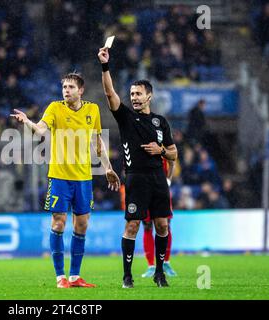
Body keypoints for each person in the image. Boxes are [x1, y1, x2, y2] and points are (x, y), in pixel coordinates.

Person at [11, 73, 120, 288]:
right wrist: (27, 122)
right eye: (64, 87)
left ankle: (75, 276)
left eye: (70, 87)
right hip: (60, 176)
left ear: (81, 90)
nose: (66, 90)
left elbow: (98, 142)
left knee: (82, 224)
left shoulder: (92, 110)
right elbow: (41, 129)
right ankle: (60, 277)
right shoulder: (54, 108)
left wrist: (108, 168)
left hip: (83, 178)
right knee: (59, 222)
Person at [98, 47, 178, 288]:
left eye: (138, 94)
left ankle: (160, 273)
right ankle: (127, 275)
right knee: (132, 225)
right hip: (135, 178)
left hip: (158, 178)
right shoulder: (125, 117)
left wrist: (161, 150)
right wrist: (105, 66)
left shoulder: (160, 122)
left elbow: (174, 153)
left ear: (149, 96)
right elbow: (109, 92)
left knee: (162, 225)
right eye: (132, 94)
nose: (134, 97)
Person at [141, 158, 177, 278]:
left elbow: (173, 158)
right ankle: (151, 266)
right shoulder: (141, 141)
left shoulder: (164, 142)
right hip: (145, 189)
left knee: (165, 225)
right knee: (147, 226)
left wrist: (168, 180)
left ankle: (166, 262)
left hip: (162, 189)